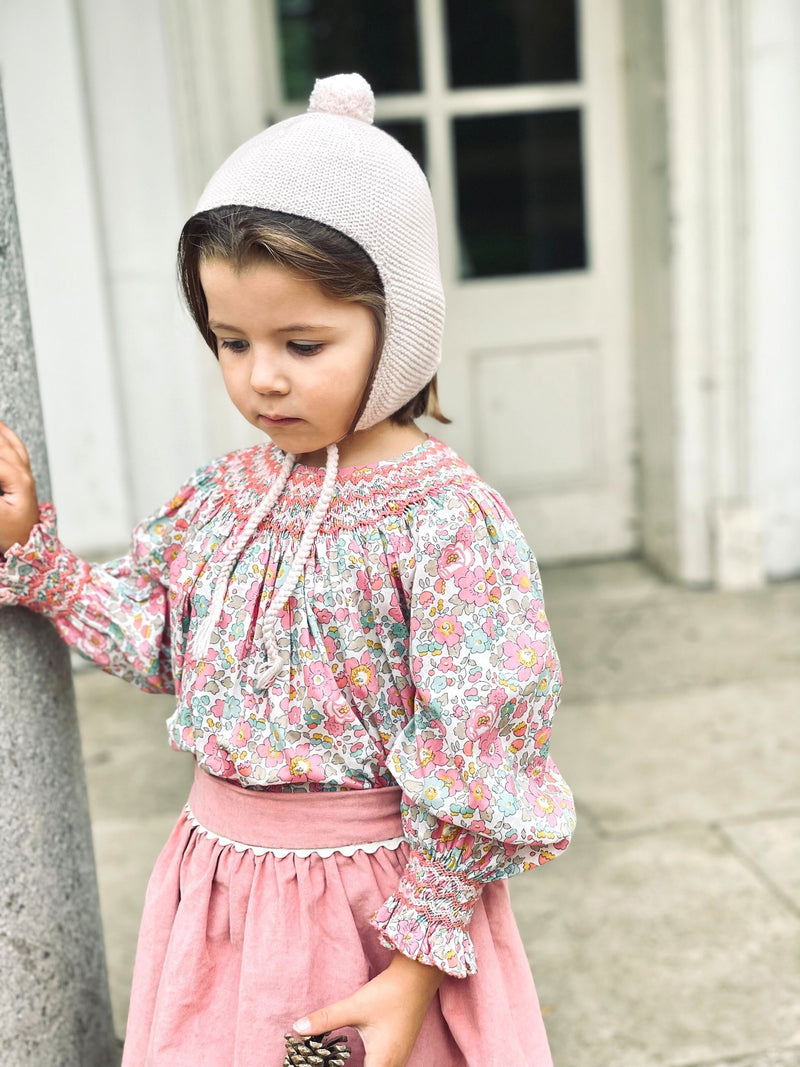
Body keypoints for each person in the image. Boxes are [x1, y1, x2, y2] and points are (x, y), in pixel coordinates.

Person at [0, 73, 575, 1067]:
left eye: (303, 343)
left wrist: (412, 965)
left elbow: (478, 737)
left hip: (379, 907)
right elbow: (156, 635)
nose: (261, 375)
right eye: (231, 340)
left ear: (398, 332)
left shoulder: (444, 524)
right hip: (221, 894)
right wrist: (37, 559)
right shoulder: (225, 496)